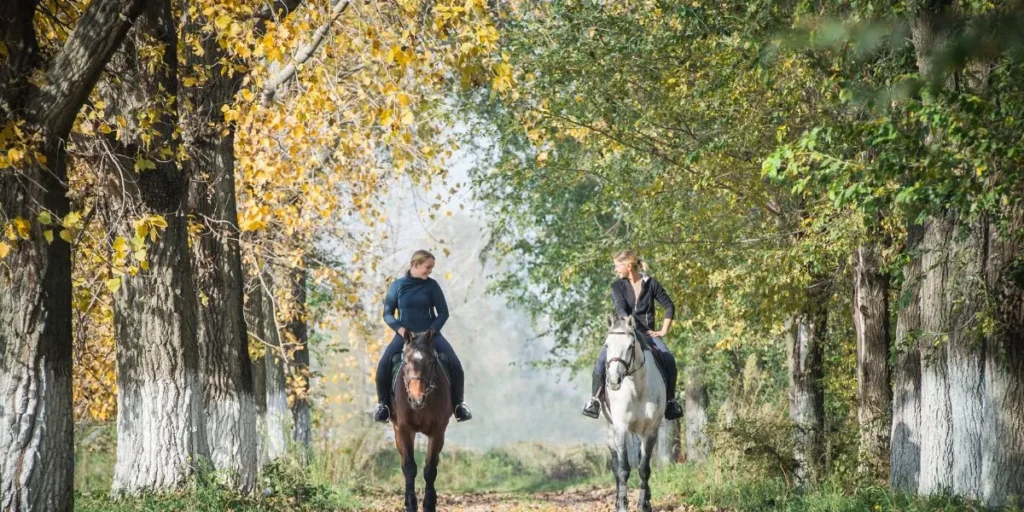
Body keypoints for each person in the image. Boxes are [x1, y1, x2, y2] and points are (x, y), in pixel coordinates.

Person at [582, 250, 683, 421]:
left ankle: (671, 401)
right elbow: (620, 308)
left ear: (628, 266)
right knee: (601, 361)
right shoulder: (617, 286)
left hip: (648, 334)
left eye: (617, 266)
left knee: (669, 360)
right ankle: (595, 400)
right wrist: (628, 322)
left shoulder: (651, 284)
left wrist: (663, 330)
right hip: (626, 333)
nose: (615, 269)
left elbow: (669, 306)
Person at [372, 250, 472, 423]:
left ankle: (458, 406)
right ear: (416, 265)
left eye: (431, 267)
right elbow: (387, 314)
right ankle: (383, 406)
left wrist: (432, 331)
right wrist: (401, 330)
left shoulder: (432, 286)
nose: (430, 271)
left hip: (429, 336)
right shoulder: (397, 286)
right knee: (383, 365)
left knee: (455, 364)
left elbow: (443, 313)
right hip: (405, 336)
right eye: (428, 267)